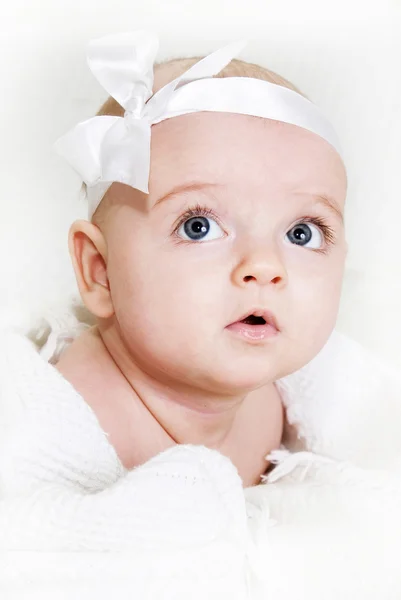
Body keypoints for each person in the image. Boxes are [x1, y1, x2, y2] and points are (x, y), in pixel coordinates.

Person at [51, 33, 347, 488]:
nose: (265, 266)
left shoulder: (276, 407)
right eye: (199, 226)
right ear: (100, 271)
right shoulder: (69, 420)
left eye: (301, 233)